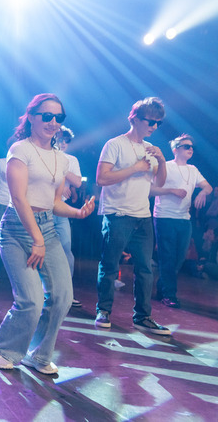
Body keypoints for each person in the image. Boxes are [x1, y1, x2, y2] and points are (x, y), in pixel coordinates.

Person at [0, 94, 95, 375]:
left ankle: (38, 354)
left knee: (62, 297)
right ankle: (1, 348)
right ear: (32, 117)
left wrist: (77, 213)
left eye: (59, 117)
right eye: (47, 116)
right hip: (16, 229)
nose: (53, 122)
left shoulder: (61, 158)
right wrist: (37, 240)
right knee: (31, 301)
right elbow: (19, 198)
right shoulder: (20, 150)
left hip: (47, 227)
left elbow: (54, 202)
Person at [94, 97, 171, 335]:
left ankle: (143, 317)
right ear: (135, 119)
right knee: (110, 265)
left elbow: (159, 182)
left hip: (143, 216)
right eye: (150, 121)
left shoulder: (150, 148)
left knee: (145, 269)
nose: (154, 126)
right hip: (117, 214)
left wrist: (161, 160)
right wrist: (135, 168)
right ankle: (103, 310)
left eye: (158, 123)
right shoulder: (115, 144)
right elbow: (102, 178)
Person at [151, 134, 212, 308]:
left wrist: (202, 192)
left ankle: (162, 288)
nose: (190, 149)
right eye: (186, 146)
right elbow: (151, 190)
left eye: (192, 147)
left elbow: (208, 187)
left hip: (184, 218)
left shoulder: (193, 169)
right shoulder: (165, 166)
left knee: (179, 258)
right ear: (175, 149)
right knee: (168, 257)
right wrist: (172, 191)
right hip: (164, 216)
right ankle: (169, 295)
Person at [53, 126, 83, 307]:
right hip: (41, 208)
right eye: (60, 139)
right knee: (38, 250)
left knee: (66, 250)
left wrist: (64, 171)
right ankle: (42, 292)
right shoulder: (46, 154)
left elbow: (78, 182)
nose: (63, 143)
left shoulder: (71, 160)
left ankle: (66, 293)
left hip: (61, 210)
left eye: (67, 141)